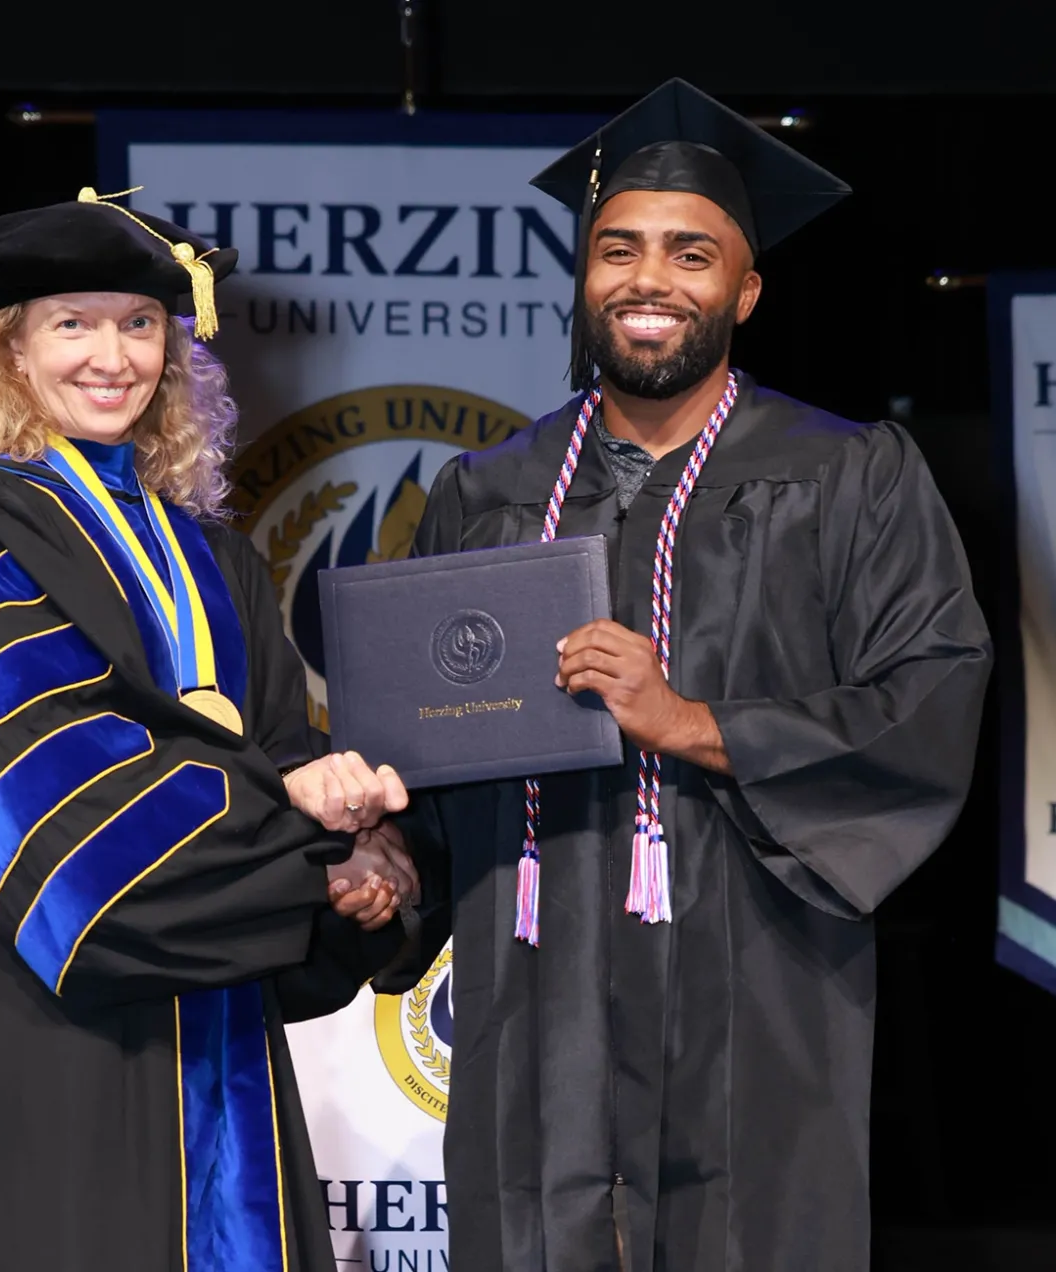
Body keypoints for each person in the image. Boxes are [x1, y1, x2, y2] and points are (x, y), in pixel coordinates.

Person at [395, 79, 992, 1271]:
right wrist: (385, 855)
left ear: (745, 290)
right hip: (533, 982)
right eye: (618, 250)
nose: (648, 280)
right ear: (584, 277)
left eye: (690, 253)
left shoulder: (849, 478)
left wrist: (695, 723)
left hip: (758, 984)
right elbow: (427, 745)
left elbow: (928, 694)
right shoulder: (485, 492)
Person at [0, 188, 420, 1272]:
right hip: (48, 1018)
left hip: (209, 1023)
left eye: (138, 323)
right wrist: (291, 825)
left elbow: (278, 746)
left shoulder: (214, 557)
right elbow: (46, 775)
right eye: (70, 323)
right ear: (9, 352)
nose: (110, 356)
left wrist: (362, 859)